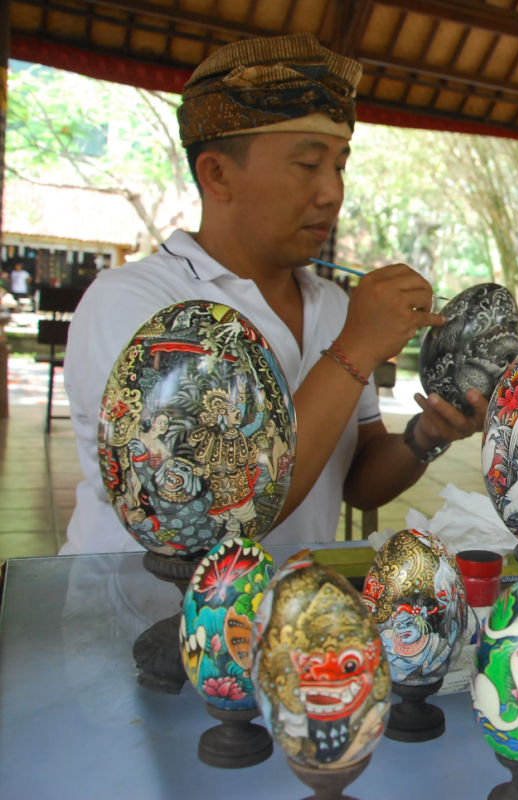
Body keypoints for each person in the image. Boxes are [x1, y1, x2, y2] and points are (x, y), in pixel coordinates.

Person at [61, 33, 487, 555]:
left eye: (339, 166)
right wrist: (354, 350)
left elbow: (355, 479)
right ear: (217, 174)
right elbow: (219, 508)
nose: (332, 192)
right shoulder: (134, 304)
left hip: (280, 623)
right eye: (308, 165)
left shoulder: (330, 305)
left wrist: (427, 434)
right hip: (139, 619)